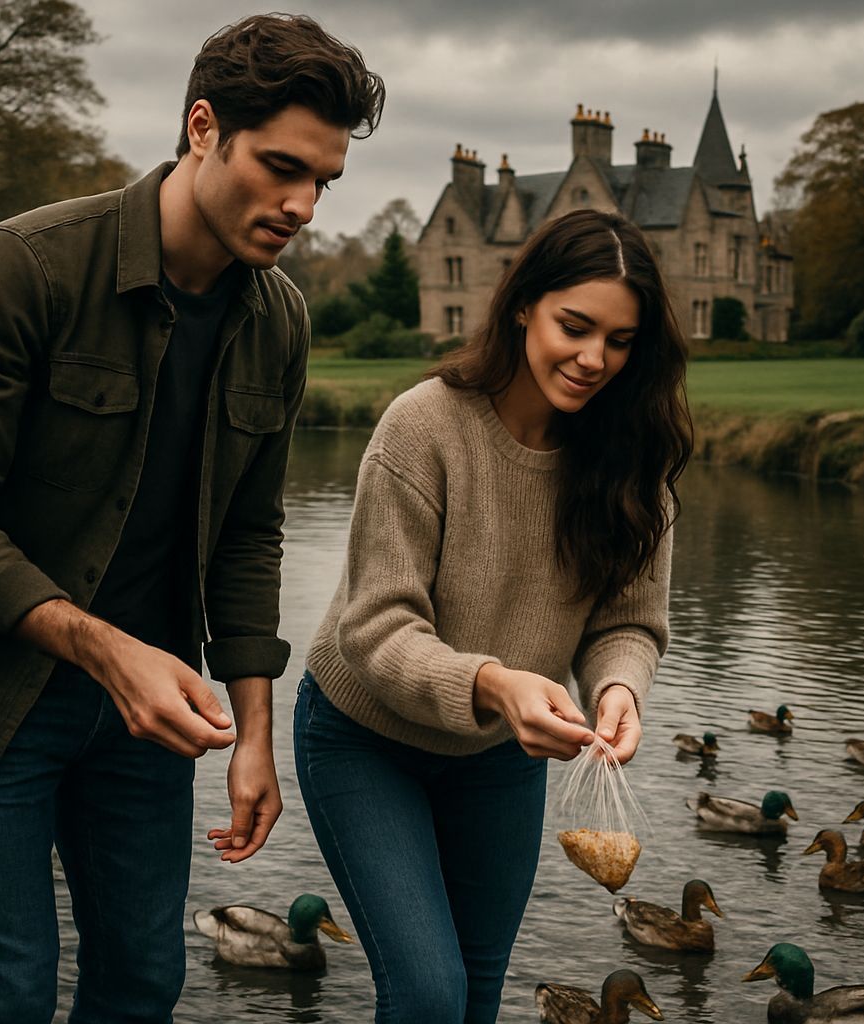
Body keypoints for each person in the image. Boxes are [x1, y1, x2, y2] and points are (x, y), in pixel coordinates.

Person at [0, 14, 383, 1023]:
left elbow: (249, 532)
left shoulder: (280, 320)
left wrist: (253, 732)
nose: (302, 206)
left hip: (146, 715)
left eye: (324, 180)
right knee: (8, 993)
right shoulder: (21, 268)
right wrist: (106, 648)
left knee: (142, 982)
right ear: (202, 128)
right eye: (282, 166)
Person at [283, 209, 692, 1023]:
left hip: (501, 758)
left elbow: (629, 622)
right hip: (365, 739)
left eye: (619, 342)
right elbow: (377, 628)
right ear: (520, 306)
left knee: (473, 996)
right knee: (430, 995)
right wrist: (500, 683)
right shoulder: (423, 427)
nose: (593, 360)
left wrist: (619, 690)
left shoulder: (633, 458)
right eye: (574, 327)